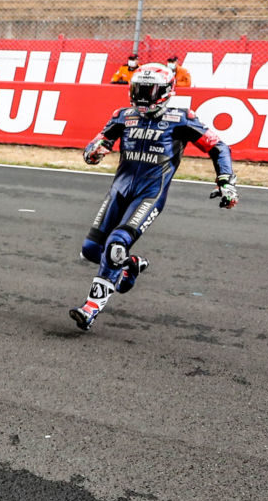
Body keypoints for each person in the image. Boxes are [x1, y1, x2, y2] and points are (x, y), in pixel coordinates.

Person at [70, 65, 236, 332]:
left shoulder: (182, 118)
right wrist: (94, 152)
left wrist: (226, 181)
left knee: (115, 245)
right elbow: (95, 146)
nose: (143, 96)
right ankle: (128, 269)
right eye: (139, 89)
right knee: (91, 250)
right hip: (118, 192)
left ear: (167, 91)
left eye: (149, 90)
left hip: (149, 195)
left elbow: (218, 146)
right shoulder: (122, 115)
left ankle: (90, 309)